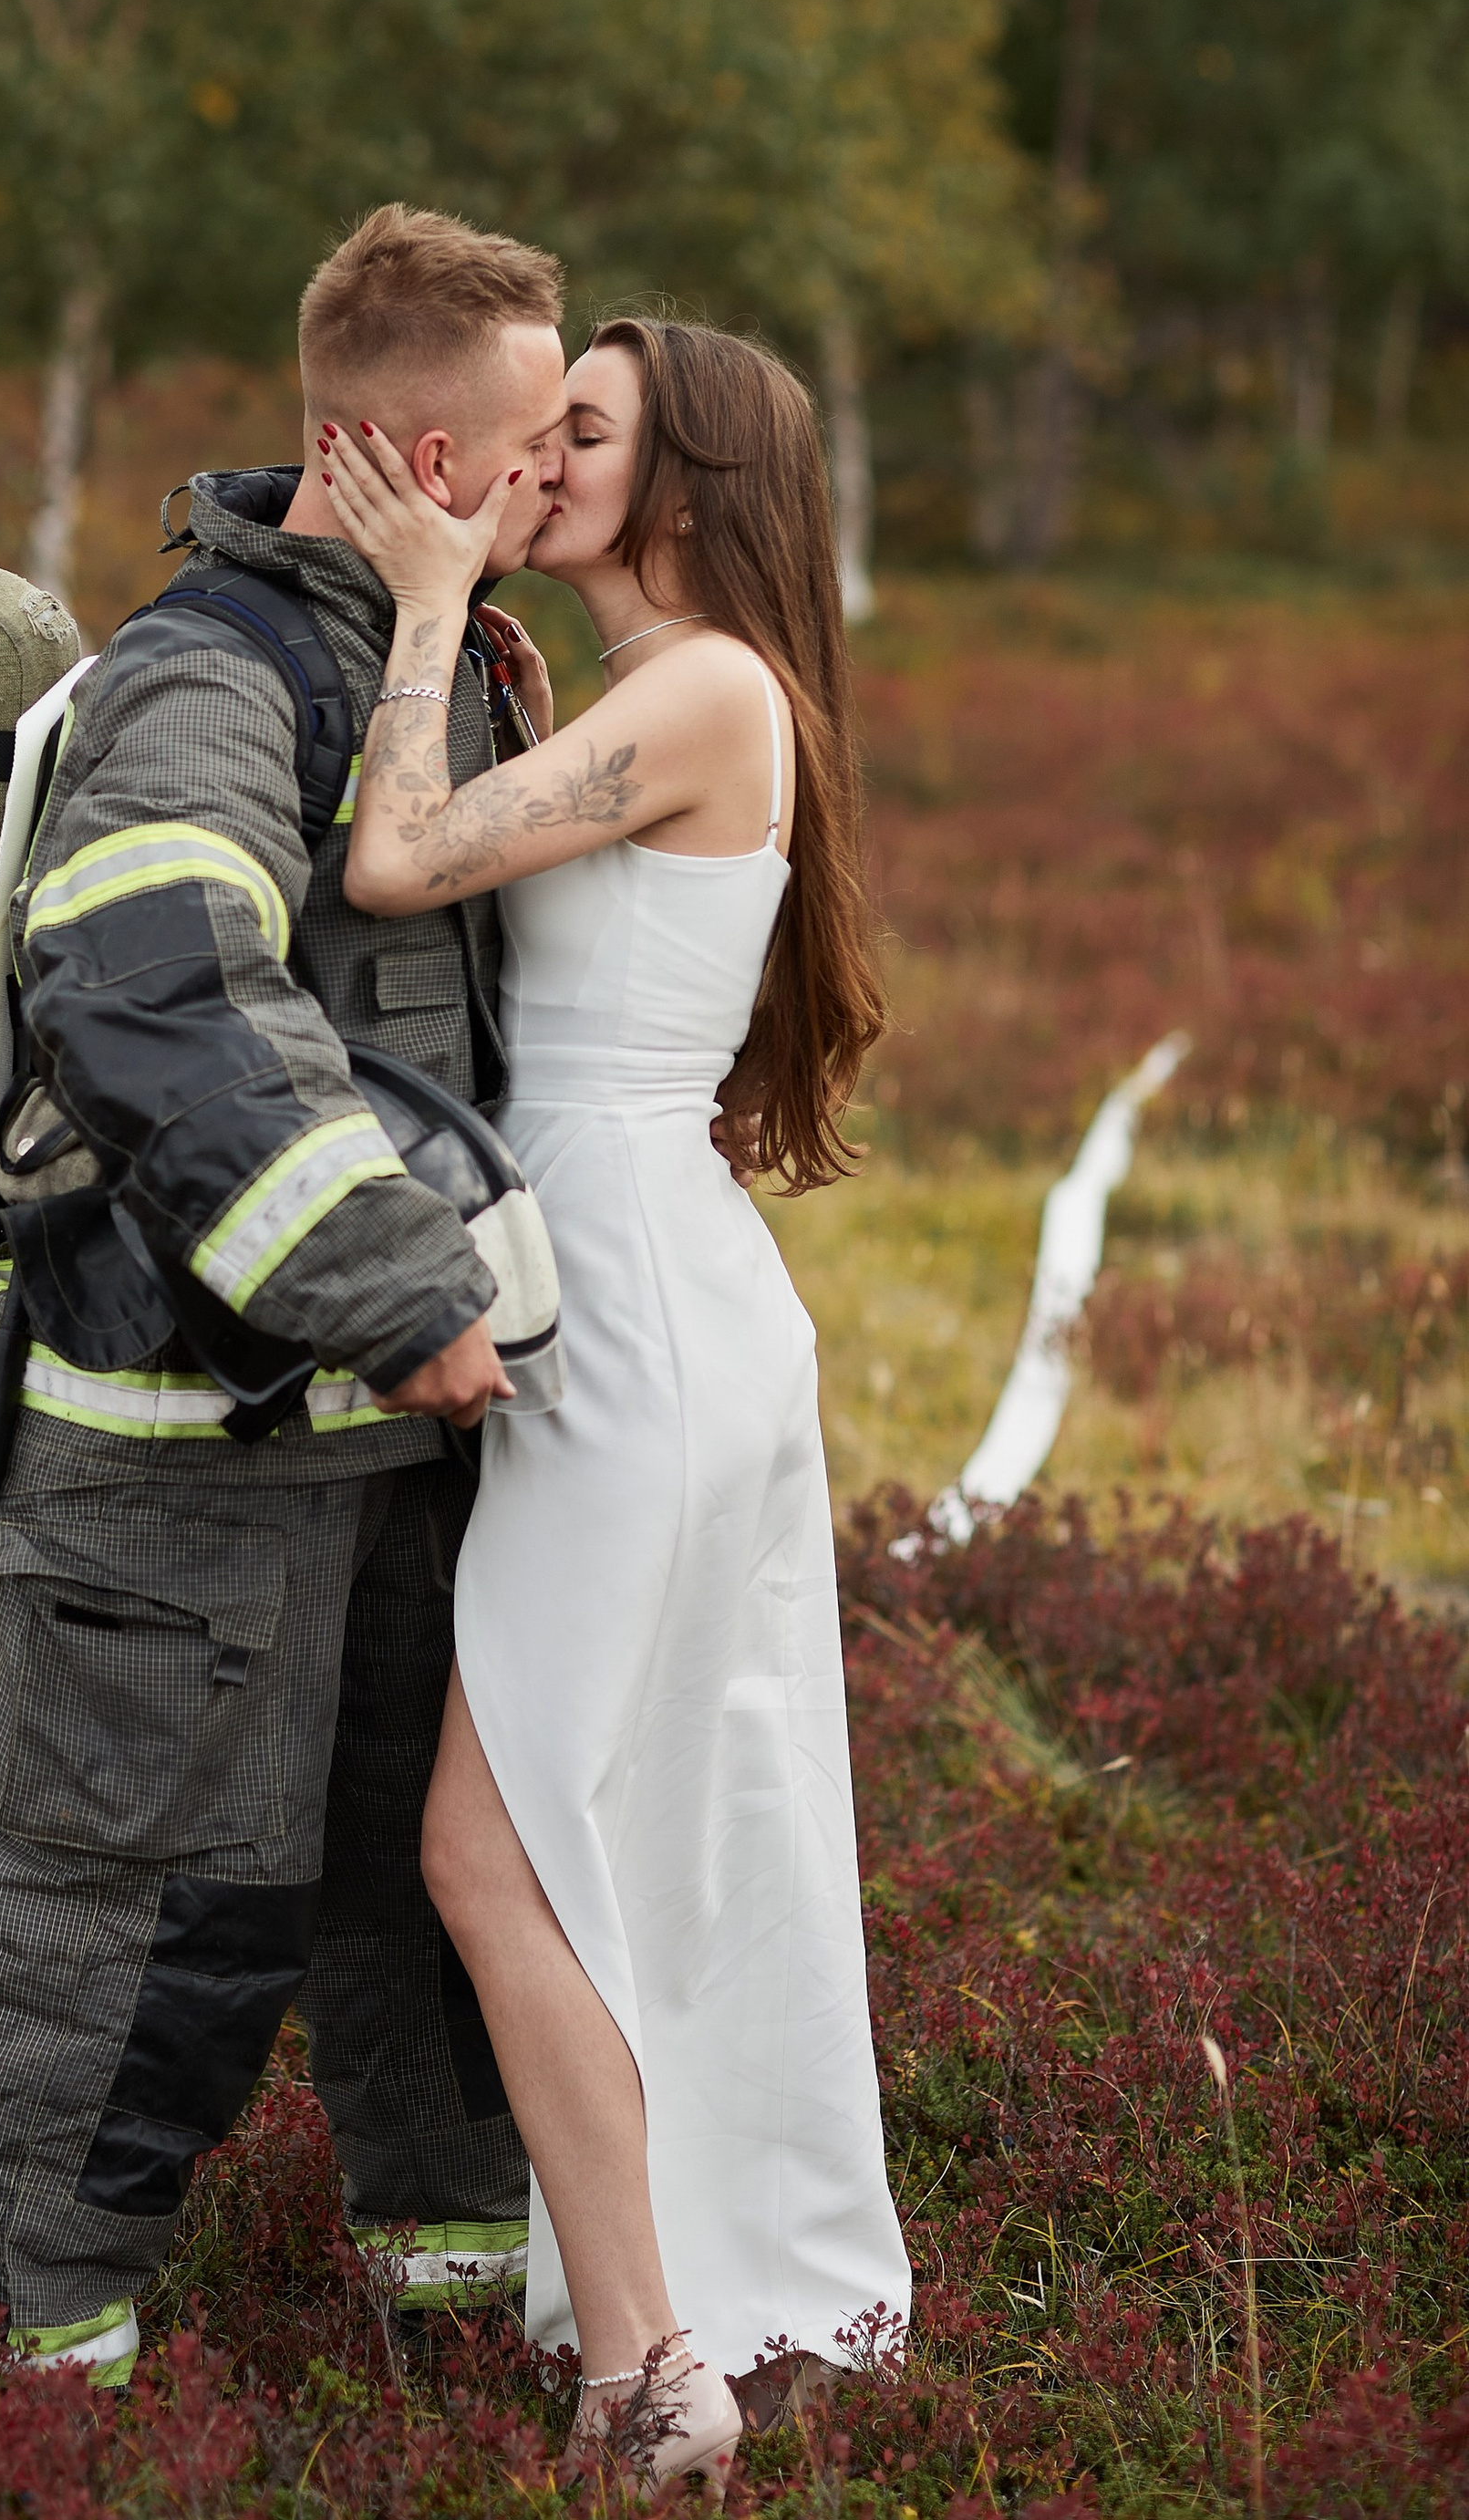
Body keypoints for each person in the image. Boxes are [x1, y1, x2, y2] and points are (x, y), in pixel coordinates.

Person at [0, 205, 570, 2376]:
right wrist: (394, 1283)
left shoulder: (446, 657)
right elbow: (158, 989)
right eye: (538, 437)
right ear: (418, 454)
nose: (564, 474)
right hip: (179, 1451)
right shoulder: (208, 673)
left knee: (414, 1872)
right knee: (133, 1913)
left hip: (381, 1442)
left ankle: (448, 2303)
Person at [319, 315, 913, 2503]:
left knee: (486, 1849)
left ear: (687, 484)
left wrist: (421, 602)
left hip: (634, 1325)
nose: (529, 453)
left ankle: (655, 2375)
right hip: (625, 1290)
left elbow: (391, 865)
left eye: (582, 428)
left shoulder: (706, 688)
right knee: (626, 1838)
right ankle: (671, 2314)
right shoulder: (661, 695)